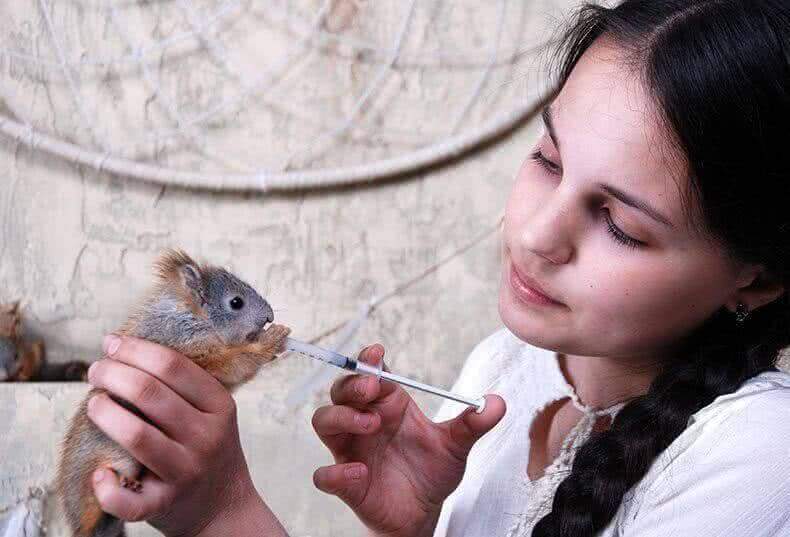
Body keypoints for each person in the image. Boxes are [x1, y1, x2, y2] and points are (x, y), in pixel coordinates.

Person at [84, 0, 790, 536]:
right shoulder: (506, 367)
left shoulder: (762, 463)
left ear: (756, 277)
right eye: (547, 159)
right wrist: (420, 526)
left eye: (622, 225)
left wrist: (224, 511)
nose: (538, 236)